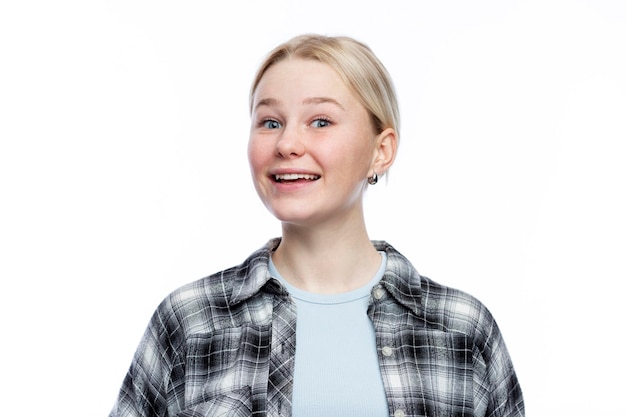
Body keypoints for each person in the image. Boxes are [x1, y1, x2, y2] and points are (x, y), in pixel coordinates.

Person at [109, 34, 524, 417]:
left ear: (381, 151)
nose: (287, 144)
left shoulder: (461, 330)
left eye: (320, 121)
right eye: (270, 122)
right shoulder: (191, 321)